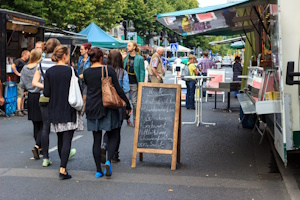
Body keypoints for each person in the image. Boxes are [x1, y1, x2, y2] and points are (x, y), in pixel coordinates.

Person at [84, 47, 132, 178]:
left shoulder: (86, 72)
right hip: (108, 106)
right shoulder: (108, 70)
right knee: (113, 134)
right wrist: (127, 104)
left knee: (96, 139)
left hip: (92, 107)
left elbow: (87, 90)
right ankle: (108, 161)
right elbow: (118, 89)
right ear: (101, 58)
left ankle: (98, 170)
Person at [32, 38, 76, 167]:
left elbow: (34, 82)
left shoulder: (41, 64)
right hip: (59, 99)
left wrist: (44, 87)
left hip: (44, 98)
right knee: (60, 128)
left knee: (45, 127)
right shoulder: (59, 63)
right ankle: (63, 154)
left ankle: (45, 157)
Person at [43, 45, 83, 180]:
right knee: (67, 140)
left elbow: (46, 93)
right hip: (69, 108)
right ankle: (63, 168)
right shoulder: (71, 71)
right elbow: (79, 90)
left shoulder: (49, 72)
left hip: (54, 108)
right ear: (65, 56)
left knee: (60, 139)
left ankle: (62, 166)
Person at [102, 49, 130, 163]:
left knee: (108, 127)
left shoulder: (104, 71)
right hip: (118, 104)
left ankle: (104, 144)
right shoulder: (123, 72)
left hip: (106, 102)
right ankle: (114, 155)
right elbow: (126, 89)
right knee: (117, 130)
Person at [20, 49, 43, 159]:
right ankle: (37, 145)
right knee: (43, 124)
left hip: (30, 97)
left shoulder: (25, 68)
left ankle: (40, 147)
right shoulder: (39, 67)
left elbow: (22, 84)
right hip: (40, 95)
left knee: (35, 125)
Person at [123, 41, 144, 127]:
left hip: (134, 82)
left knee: (135, 102)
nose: (127, 47)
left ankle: (135, 119)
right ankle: (127, 118)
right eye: (127, 45)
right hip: (125, 82)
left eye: (129, 45)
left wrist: (141, 83)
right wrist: (122, 58)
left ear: (134, 47)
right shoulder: (125, 57)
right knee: (126, 102)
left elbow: (142, 72)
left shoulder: (139, 58)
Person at [11, 50, 30, 117]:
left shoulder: (25, 62)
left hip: (24, 80)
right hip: (20, 80)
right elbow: (13, 66)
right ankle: (18, 110)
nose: (29, 56)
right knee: (20, 94)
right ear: (24, 55)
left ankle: (22, 108)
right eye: (28, 55)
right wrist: (18, 73)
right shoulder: (18, 60)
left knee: (23, 95)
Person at [78, 43, 92, 116]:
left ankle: (82, 113)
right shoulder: (80, 59)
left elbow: (90, 70)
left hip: (87, 81)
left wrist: (83, 75)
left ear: (86, 50)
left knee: (84, 97)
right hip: (80, 81)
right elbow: (78, 69)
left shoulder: (90, 60)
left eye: (82, 49)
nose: (80, 51)